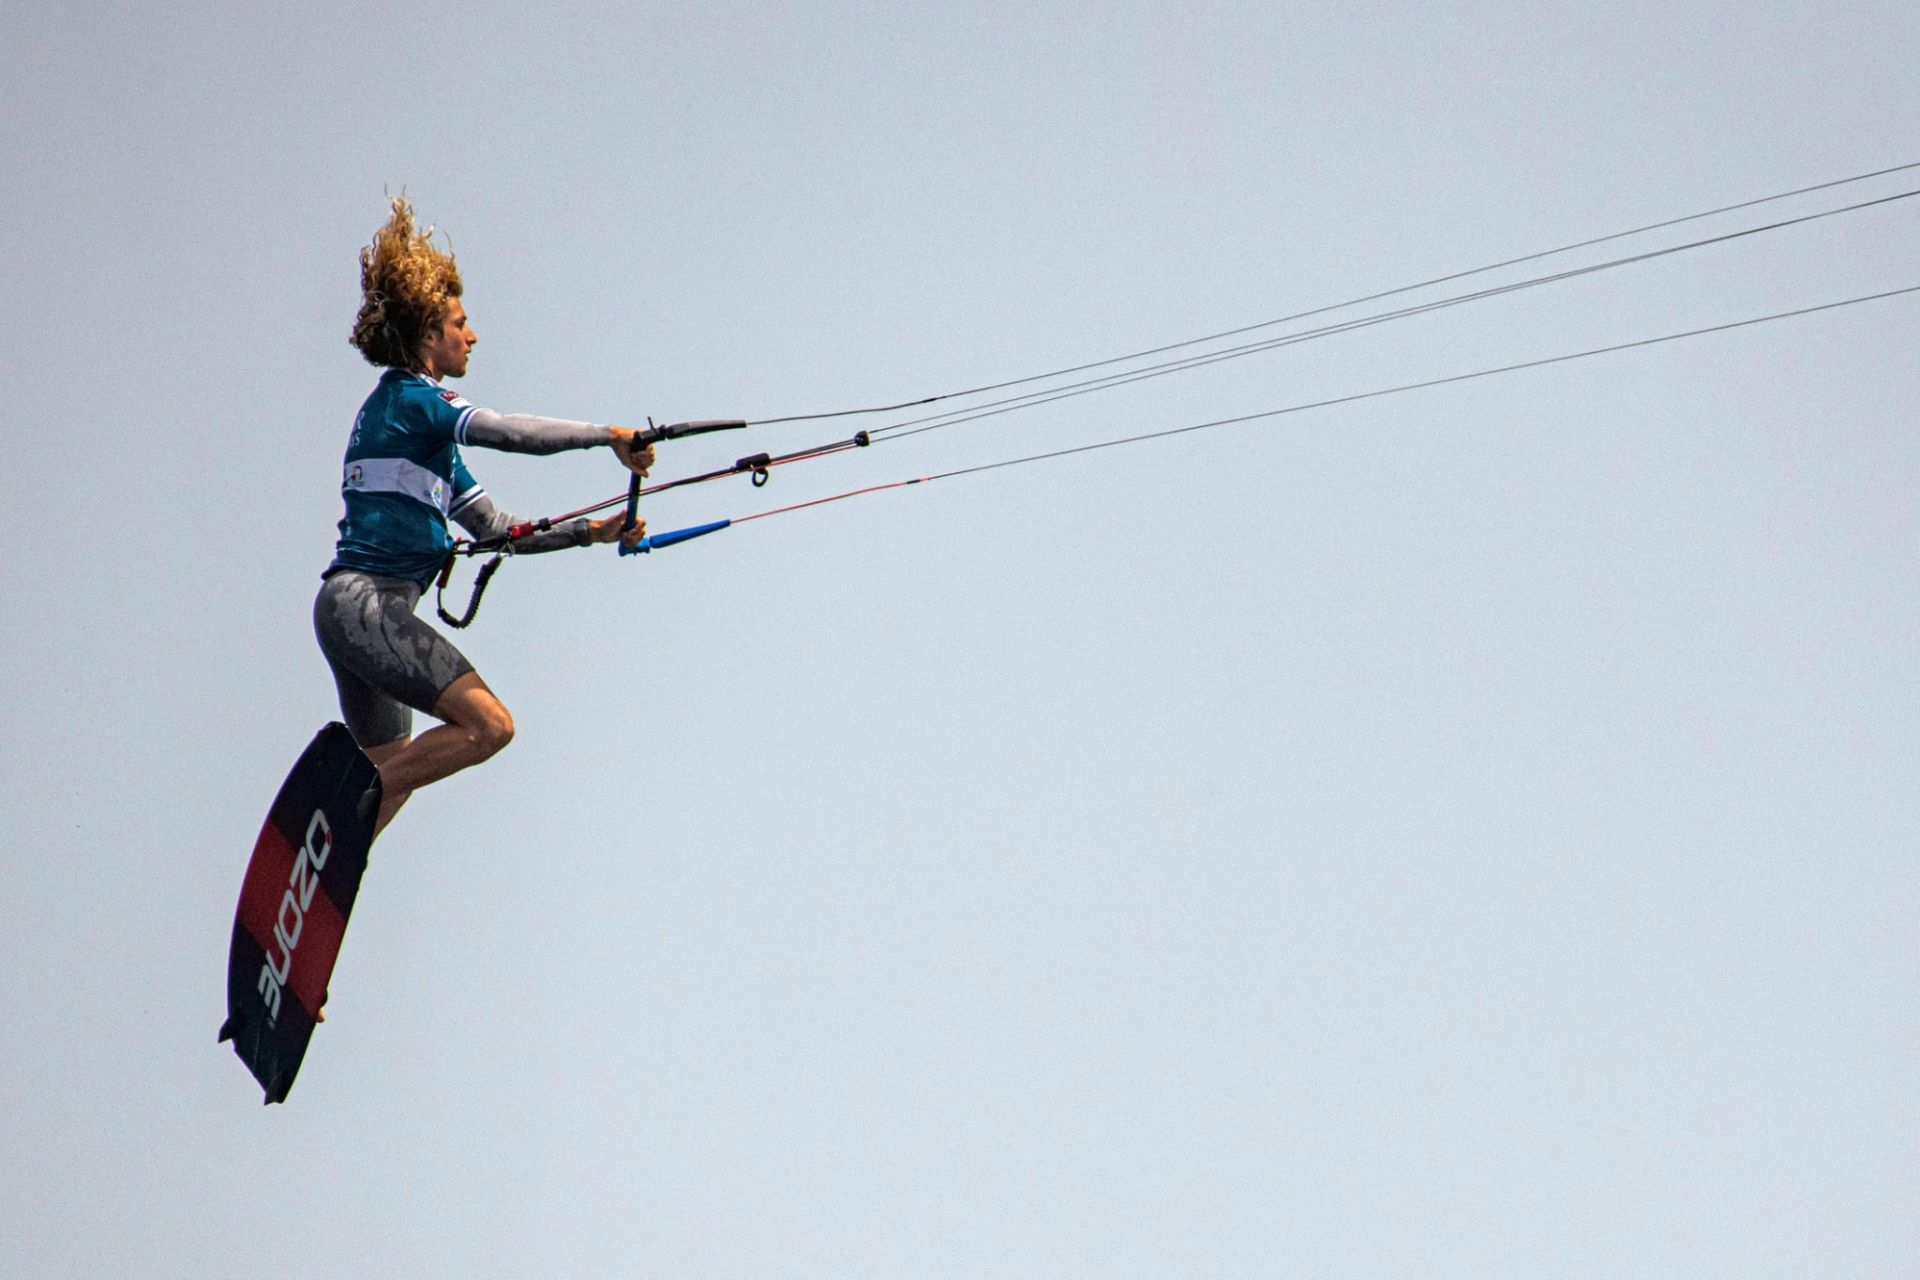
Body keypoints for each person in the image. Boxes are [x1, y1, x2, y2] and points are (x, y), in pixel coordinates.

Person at [316, 197, 653, 836]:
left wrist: (594, 531)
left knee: (395, 775)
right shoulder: (413, 401)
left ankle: (322, 872)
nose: (471, 335)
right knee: (489, 726)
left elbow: (498, 531)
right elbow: (504, 431)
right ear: (427, 335)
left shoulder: (422, 441)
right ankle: (342, 808)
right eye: (460, 323)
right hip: (367, 609)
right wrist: (605, 434)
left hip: (350, 613)